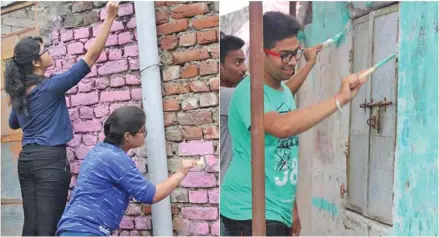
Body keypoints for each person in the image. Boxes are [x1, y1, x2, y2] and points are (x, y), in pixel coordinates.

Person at [220, 11, 367, 236]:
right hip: (248, 211)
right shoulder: (248, 92)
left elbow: (285, 157)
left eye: (296, 53)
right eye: (284, 55)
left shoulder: (283, 91)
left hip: (278, 209)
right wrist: (339, 99)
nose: (292, 61)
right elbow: (281, 127)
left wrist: (292, 208)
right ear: (260, 53)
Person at [4, 2, 120, 236]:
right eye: (44, 50)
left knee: (32, 226)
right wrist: (109, 18)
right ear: (36, 62)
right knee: (48, 228)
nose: (49, 53)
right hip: (49, 161)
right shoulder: (50, 87)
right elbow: (91, 57)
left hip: (27, 161)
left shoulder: (20, 92)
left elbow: (13, 123)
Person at [56, 106, 197, 236]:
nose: (144, 135)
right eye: (143, 131)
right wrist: (180, 173)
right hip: (85, 231)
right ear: (128, 136)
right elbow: (150, 195)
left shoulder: (100, 151)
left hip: (76, 229)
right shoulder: (115, 158)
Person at [219, 32, 247, 236]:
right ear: (219, 66)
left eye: (243, 62)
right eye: (237, 62)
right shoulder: (228, 95)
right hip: (229, 199)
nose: (243, 68)